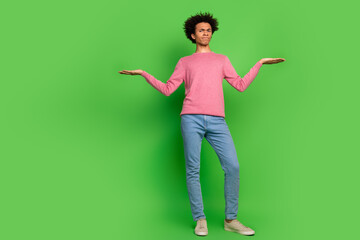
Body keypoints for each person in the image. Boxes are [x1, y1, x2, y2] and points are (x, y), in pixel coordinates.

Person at [118, 11, 285, 236]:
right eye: (201, 31)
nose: (205, 33)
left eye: (208, 30)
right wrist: (144, 74)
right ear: (192, 35)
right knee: (193, 170)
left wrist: (260, 63)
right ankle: (200, 219)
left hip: (217, 121)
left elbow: (241, 85)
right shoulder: (185, 62)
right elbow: (168, 89)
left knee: (233, 167)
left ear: (211, 33)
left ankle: (231, 219)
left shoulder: (222, 60)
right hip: (191, 119)